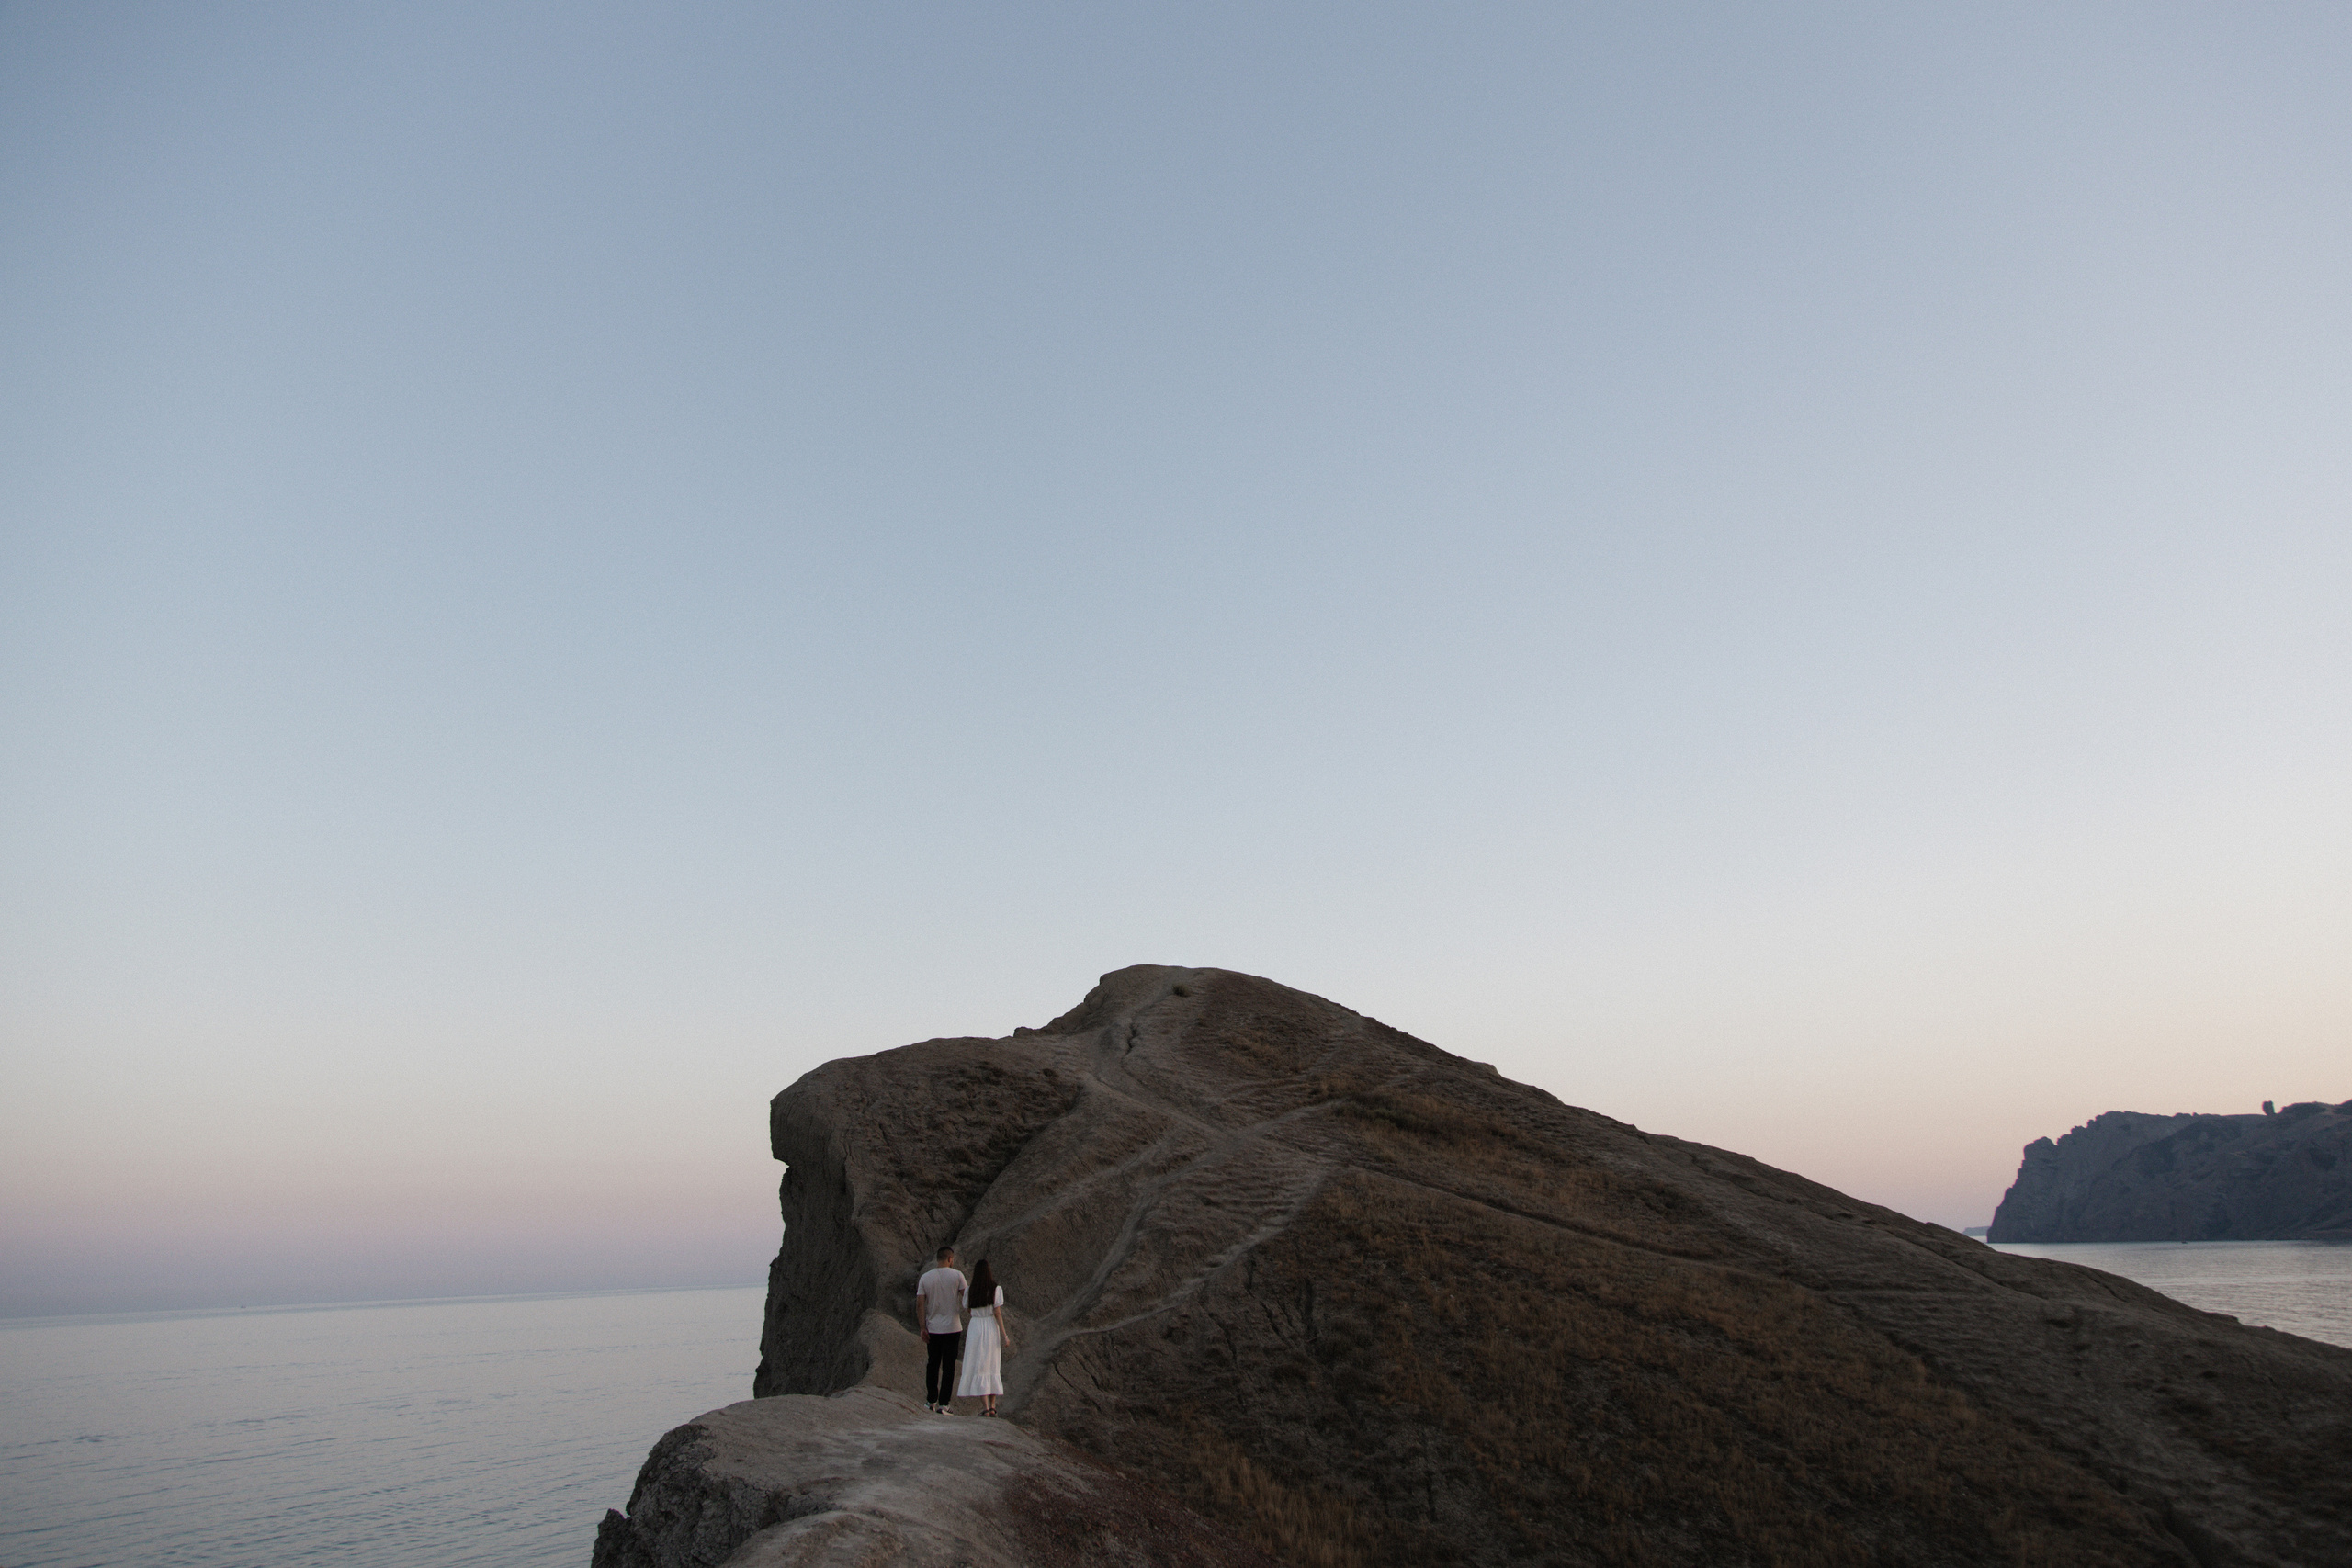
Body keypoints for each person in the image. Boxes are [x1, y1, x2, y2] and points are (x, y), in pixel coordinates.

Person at [954, 1259, 1014, 1416]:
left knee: (979, 1365)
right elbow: (997, 1312)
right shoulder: (995, 1289)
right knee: (992, 1365)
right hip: (990, 1327)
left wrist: (977, 1315)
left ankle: (986, 1408)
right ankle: (993, 1406)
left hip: (976, 1327)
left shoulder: (970, 1291)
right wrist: (1004, 1335)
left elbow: (967, 1309)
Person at [914, 1245, 967, 1414]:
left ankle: (931, 1400)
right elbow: (966, 1297)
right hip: (952, 1327)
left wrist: (922, 1326)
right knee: (949, 1367)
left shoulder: (926, 1278)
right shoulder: (957, 1275)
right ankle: (944, 1404)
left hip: (933, 1327)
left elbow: (920, 1303)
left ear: (938, 1259)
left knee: (933, 1364)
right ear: (950, 1259)